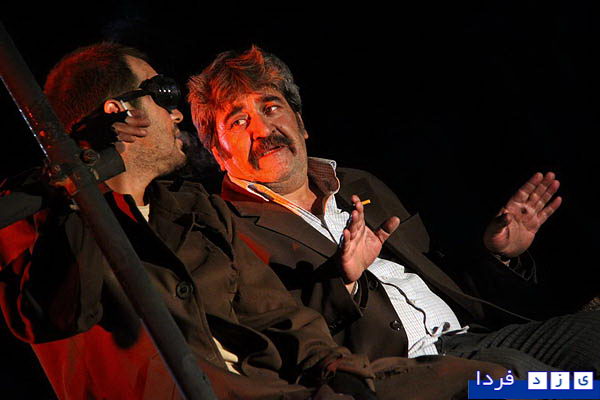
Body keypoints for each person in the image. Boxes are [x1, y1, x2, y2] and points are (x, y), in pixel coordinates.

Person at [0, 42, 508, 400]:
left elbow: (277, 316)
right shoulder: (39, 209)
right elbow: (56, 313)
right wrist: (82, 181)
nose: (175, 115)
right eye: (163, 95)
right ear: (118, 111)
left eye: (271, 108)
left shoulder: (189, 210)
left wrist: (341, 371)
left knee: (512, 382)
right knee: (506, 377)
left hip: (320, 385)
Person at [186, 45, 600, 379]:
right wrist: (344, 283)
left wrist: (496, 254)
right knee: (541, 387)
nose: (263, 129)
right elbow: (277, 341)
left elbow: (439, 275)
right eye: (238, 121)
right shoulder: (227, 229)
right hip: (405, 372)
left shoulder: (359, 184)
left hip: (474, 339)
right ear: (218, 153)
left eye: (271, 108)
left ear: (301, 123)